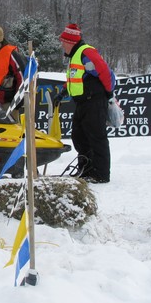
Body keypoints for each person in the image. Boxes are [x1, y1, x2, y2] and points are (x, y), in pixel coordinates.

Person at [55, 23, 115, 184]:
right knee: (79, 136)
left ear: (70, 42)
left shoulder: (86, 52)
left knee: (96, 137)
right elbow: (75, 78)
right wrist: (62, 93)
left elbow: (105, 72)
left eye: (63, 42)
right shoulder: (75, 56)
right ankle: (86, 169)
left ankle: (101, 174)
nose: (62, 45)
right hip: (83, 102)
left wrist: (109, 93)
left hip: (94, 101)